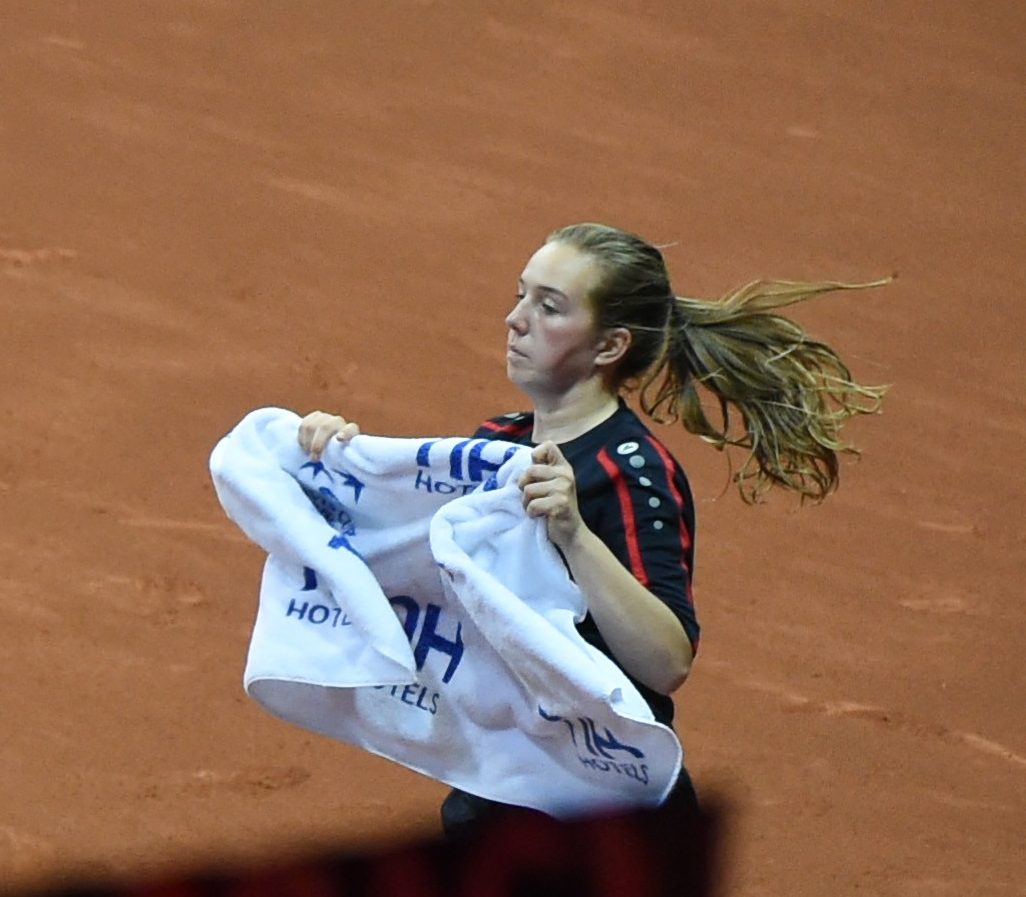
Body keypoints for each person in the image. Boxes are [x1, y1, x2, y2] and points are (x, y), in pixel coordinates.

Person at [293, 221, 882, 836]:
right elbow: (406, 564)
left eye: (549, 307)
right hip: (502, 791)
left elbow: (666, 660)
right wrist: (337, 466)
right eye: (522, 295)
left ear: (609, 347)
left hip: (605, 816)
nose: (516, 319)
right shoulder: (498, 443)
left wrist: (574, 534)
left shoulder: (629, 472)